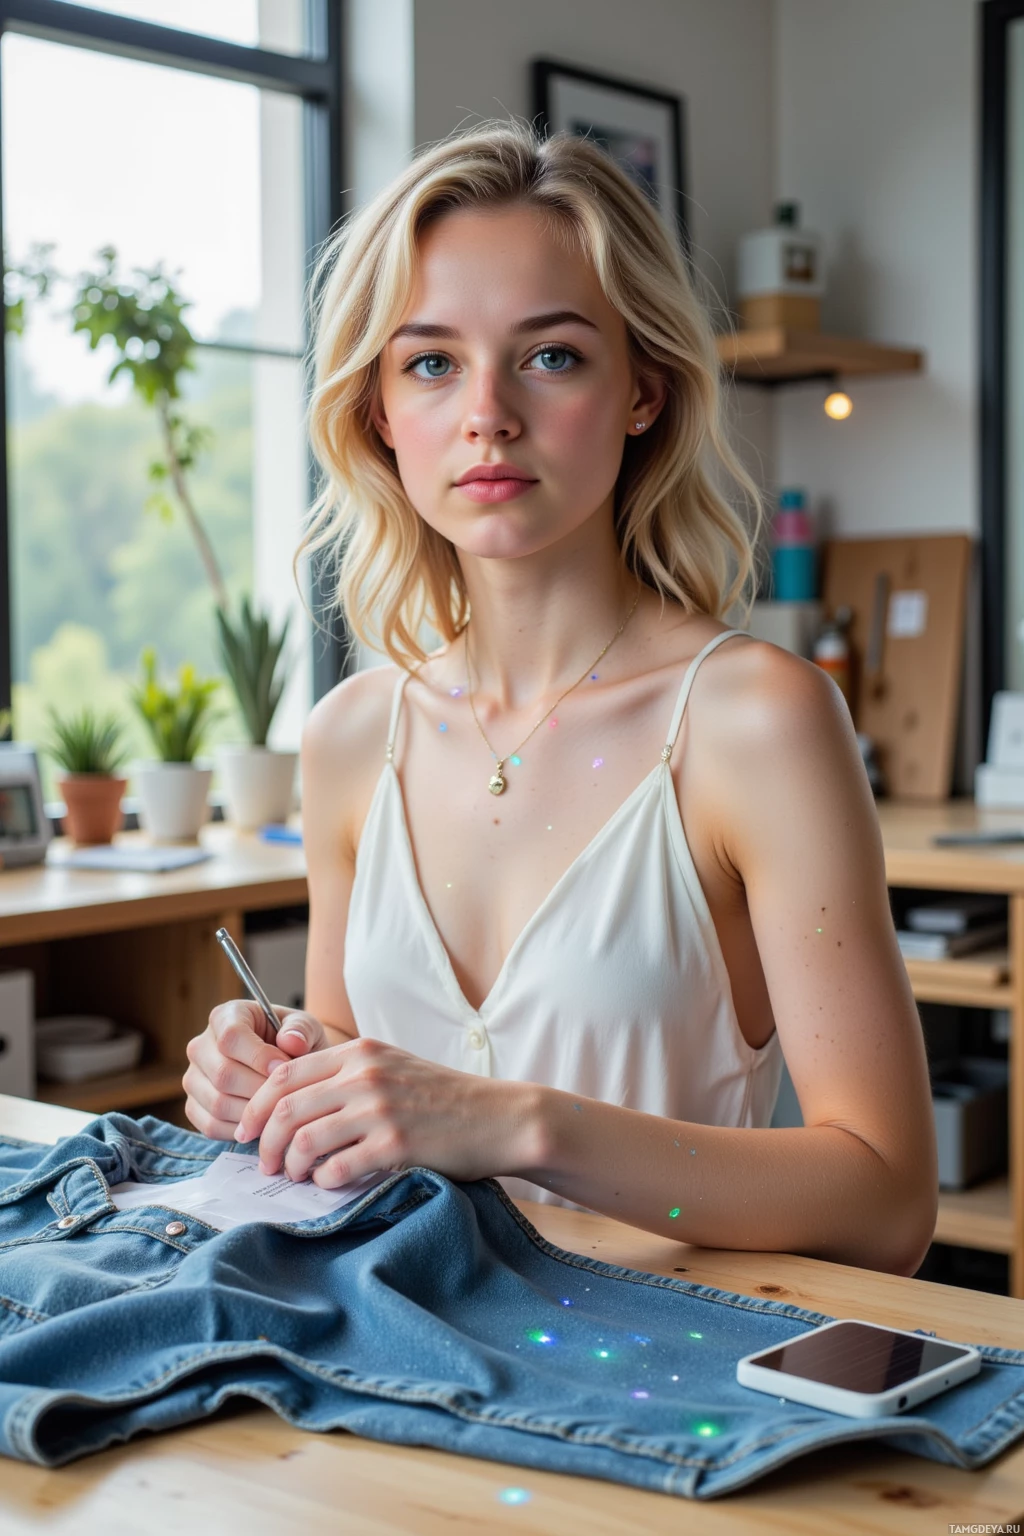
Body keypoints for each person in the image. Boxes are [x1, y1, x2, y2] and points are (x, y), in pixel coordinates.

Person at [183, 120, 937, 1274]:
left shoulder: (753, 721)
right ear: (379, 413)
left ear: (642, 391)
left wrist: (521, 1125)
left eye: (550, 356)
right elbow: (353, 1087)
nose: (487, 412)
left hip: (667, 1365)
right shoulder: (350, 736)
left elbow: (885, 1202)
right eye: (430, 363)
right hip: (386, 1353)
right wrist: (278, 1071)